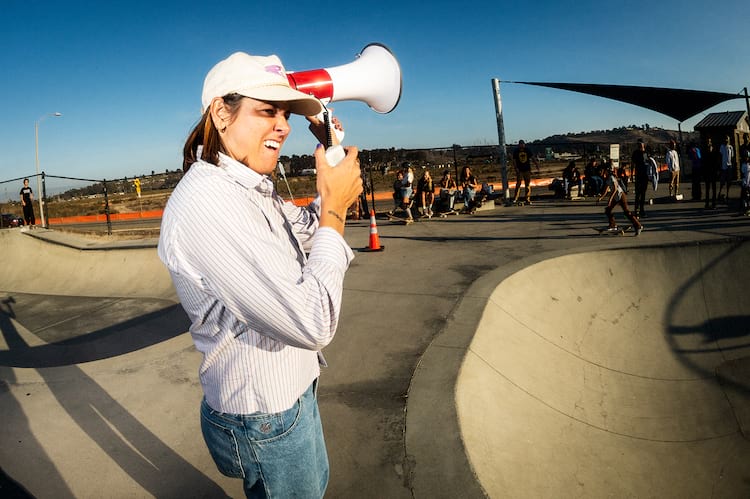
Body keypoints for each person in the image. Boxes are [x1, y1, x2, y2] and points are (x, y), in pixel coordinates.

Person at [157, 51, 362, 498]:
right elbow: (313, 322)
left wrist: (332, 168)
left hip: (284, 397)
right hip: (263, 414)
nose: (283, 126)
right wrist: (336, 212)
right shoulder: (210, 204)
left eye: (285, 114)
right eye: (267, 111)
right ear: (221, 113)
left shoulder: (243, 186)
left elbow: (304, 231)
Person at [598, 166, 643, 236]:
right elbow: (606, 189)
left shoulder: (611, 178)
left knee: (626, 212)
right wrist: (601, 197)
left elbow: (615, 189)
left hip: (620, 195)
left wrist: (610, 199)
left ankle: (638, 226)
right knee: (608, 210)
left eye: (603, 171)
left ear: (606, 172)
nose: (602, 173)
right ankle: (612, 225)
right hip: (616, 197)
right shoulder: (607, 179)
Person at [512, 140, 540, 204]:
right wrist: (516, 168)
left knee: (527, 184)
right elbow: (514, 160)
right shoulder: (516, 151)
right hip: (520, 170)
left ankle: (527, 199)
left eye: (522, 144)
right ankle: (515, 198)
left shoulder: (527, 150)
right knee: (518, 184)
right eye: (520, 144)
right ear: (519, 144)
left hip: (527, 169)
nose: (521, 145)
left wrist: (536, 165)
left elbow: (532, 158)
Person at [630, 140, 649, 218]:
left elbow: (648, 163)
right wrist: (632, 174)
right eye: (639, 145)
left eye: (641, 145)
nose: (640, 147)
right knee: (638, 193)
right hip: (638, 175)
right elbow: (632, 163)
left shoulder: (646, 153)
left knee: (643, 193)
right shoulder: (636, 153)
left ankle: (642, 210)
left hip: (645, 175)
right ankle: (636, 210)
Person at [703, 137, 720, 209]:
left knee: (713, 188)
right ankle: (707, 203)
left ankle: (714, 203)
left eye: (709, 141)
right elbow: (703, 163)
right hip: (707, 172)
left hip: (713, 172)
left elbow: (717, 162)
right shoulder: (704, 151)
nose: (708, 142)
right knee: (707, 189)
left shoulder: (714, 152)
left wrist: (717, 170)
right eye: (707, 141)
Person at [718, 135, 734, 203]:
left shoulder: (730, 147)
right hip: (723, 166)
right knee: (722, 181)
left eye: (727, 139)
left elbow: (732, 156)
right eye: (725, 139)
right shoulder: (722, 147)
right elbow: (720, 156)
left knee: (728, 181)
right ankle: (719, 193)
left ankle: (727, 194)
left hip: (729, 166)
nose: (726, 140)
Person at [739, 134, 750, 214]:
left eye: (747, 138)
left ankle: (748, 207)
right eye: (744, 138)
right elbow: (740, 157)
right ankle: (743, 207)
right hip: (744, 167)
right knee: (744, 190)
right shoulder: (742, 147)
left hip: (749, 166)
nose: (746, 139)